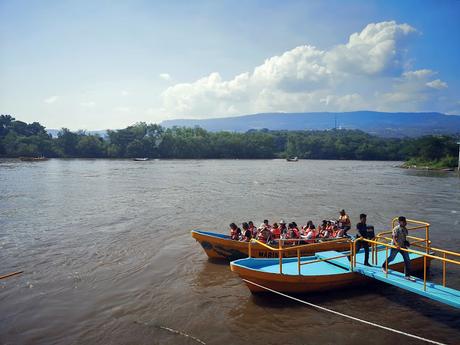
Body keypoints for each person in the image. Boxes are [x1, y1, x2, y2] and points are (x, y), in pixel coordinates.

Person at [381, 216, 415, 281]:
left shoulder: (405, 229)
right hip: (395, 246)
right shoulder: (396, 229)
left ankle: (407, 275)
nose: (405, 223)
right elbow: (393, 237)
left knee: (407, 260)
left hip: (403, 247)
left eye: (405, 221)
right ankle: (384, 266)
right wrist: (397, 245)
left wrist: (406, 243)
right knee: (392, 258)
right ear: (400, 222)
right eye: (404, 222)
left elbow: (404, 238)